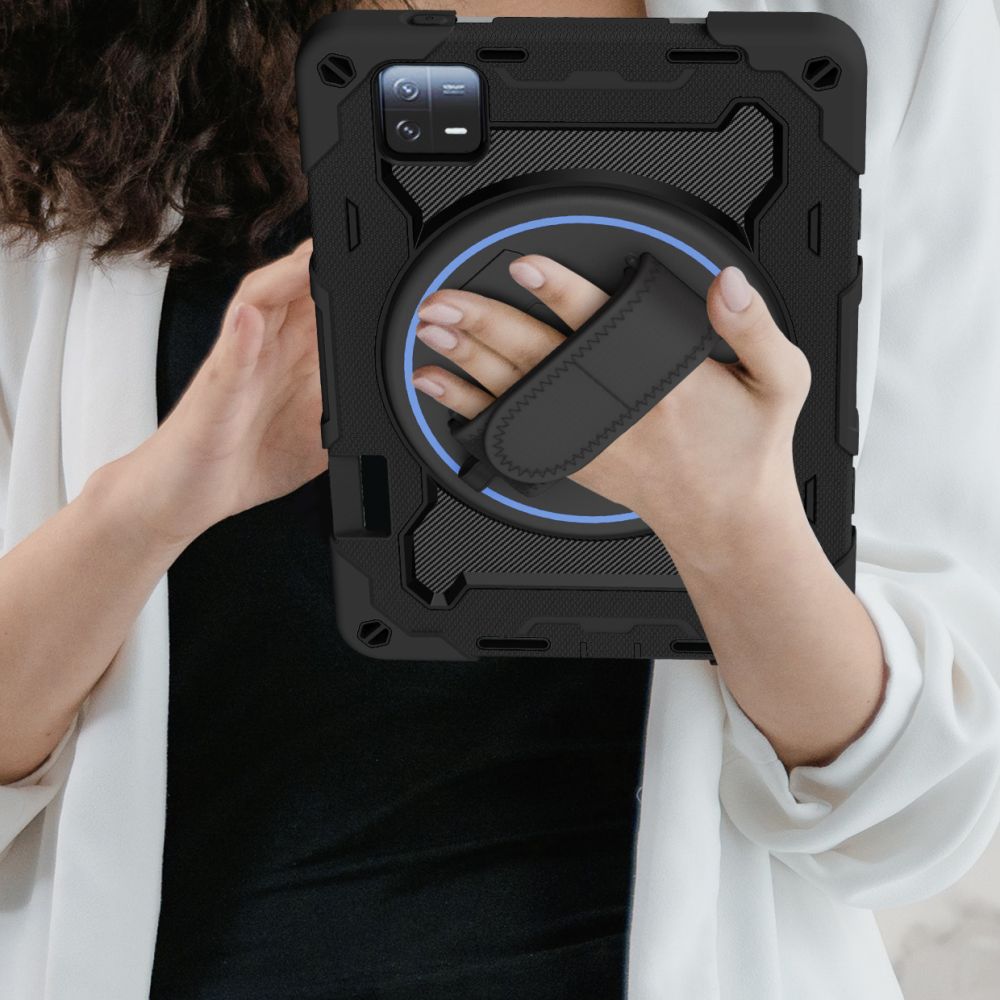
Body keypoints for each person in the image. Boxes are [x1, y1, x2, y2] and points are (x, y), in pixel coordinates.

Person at [1, 1, 998, 998]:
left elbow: (921, 810)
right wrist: (143, 509)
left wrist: (736, 531)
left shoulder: (898, 24)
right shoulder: (60, 39)